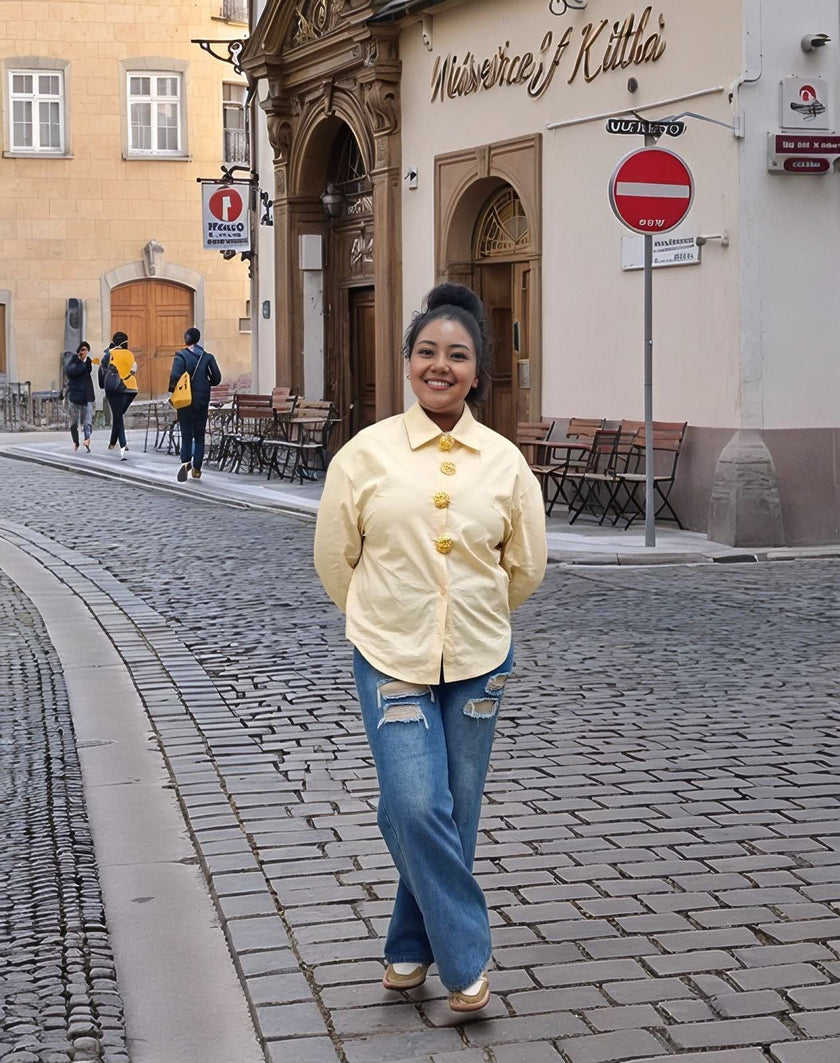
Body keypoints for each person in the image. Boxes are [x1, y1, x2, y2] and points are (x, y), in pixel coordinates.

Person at [313, 283, 547, 1013]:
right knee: (414, 803)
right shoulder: (365, 455)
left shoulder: (504, 463)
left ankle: (409, 947)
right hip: (390, 654)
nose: (440, 365)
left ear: (477, 371)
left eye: (457, 355)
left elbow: (525, 566)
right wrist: (385, 615)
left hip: (479, 657)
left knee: (456, 810)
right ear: (407, 360)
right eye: (426, 352)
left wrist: (474, 614)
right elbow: (334, 558)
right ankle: (466, 955)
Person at [168, 327, 222, 482]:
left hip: (185, 400)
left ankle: (186, 462)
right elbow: (217, 378)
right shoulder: (207, 357)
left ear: (186, 339)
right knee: (199, 434)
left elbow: (175, 376)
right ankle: (197, 468)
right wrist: (206, 382)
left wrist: (173, 391)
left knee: (186, 434)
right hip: (202, 399)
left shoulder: (181, 356)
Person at [99, 331, 138, 460]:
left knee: (118, 415)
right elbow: (134, 369)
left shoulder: (110, 354)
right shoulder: (130, 354)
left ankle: (123, 444)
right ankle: (112, 443)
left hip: (114, 389)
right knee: (118, 414)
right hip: (131, 389)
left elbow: (102, 369)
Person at [65, 341, 95, 452]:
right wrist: (80, 359)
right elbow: (72, 371)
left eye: (86, 350)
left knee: (87, 422)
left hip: (87, 397)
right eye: (82, 350)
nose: (84, 352)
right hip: (75, 397)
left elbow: (88, 369)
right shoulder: (74, 361)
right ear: (78, 351)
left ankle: (87, 440)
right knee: (74, 422)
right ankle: (76, 442)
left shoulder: (88, 362)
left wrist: (85, 361)